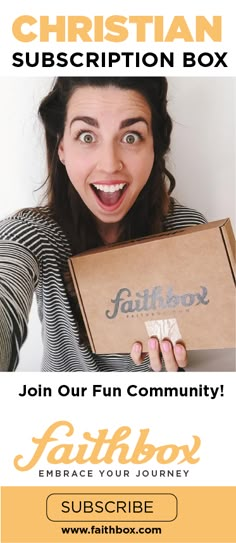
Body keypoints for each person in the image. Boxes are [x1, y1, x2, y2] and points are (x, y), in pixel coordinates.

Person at [0, 77, 206, 372]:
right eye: (86, 136)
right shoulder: (32, 235)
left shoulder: (187, 232)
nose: (110, 164)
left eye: (131, 137)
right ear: (61, 148)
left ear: (155, 149)